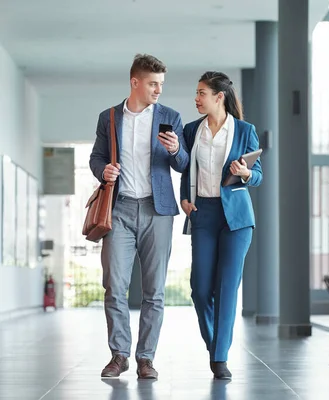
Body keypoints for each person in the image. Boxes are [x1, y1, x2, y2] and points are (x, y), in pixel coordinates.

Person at [89, 54, 189, 380]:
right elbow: (96, 157)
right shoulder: (110, 118)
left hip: (157, 211)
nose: (159, 89)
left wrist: (176, 150)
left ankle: (146, 358)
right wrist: (102, 170)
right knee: (114, 286)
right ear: (135, 82)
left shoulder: (170, 117)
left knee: (154, 291)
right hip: (118, 210)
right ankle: (119, 355)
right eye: (153, 83)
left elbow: (184, 163)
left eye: (161, 84)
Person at [180, 71, 262, 380]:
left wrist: (245, 173)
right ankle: (215, 342)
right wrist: (184, 201)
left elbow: (259, 175)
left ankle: (219, 356)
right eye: (197, 92)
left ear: (219, 97)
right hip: (203, 212)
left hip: (237, 219)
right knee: (200, 290)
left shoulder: (244, 130)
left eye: (202, 93)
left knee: (227, 288)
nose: (196, 98)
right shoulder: (191, 131)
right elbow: (185, 170)